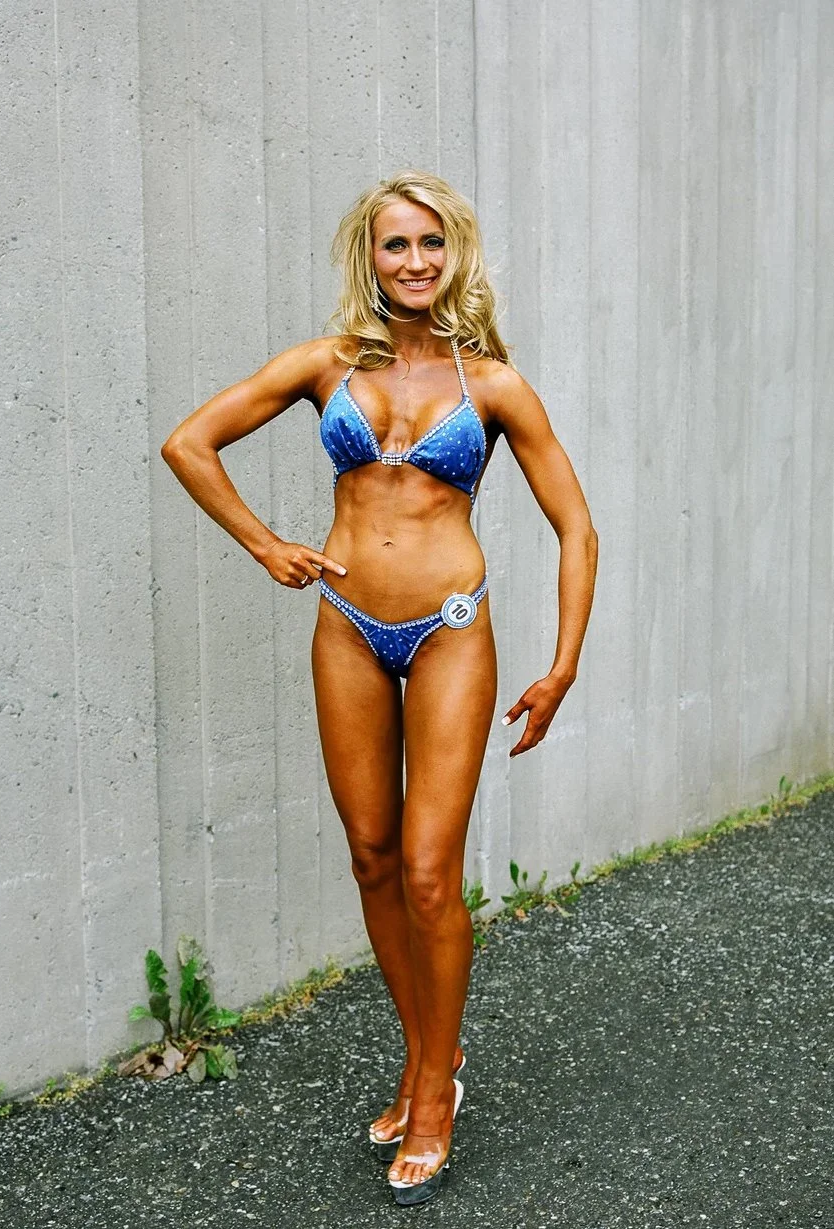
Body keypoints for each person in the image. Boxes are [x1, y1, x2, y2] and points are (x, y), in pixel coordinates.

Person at [161, 169, 598, 1206]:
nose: (414, 262)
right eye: (396, 245)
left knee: (430, 872)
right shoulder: (325, 365)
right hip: (348, 627)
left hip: (450, 628)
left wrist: (563, 662)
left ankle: (436, 1086)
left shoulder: (492, 383)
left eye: (431, 245)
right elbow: (190, 441)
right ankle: (420, 1052)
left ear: (455, 256)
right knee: (370, 853)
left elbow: (575, 524)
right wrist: (267, 544)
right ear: (370, 256)